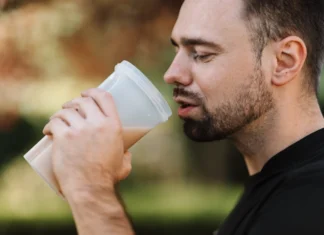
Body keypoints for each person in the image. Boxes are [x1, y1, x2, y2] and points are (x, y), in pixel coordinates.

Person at [43, 0, 324, 234]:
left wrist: (91, 192)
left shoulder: (313, 199)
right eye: (178, 50)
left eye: (201, 54)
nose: (172, 73)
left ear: (284, 61)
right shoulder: (275, 188)